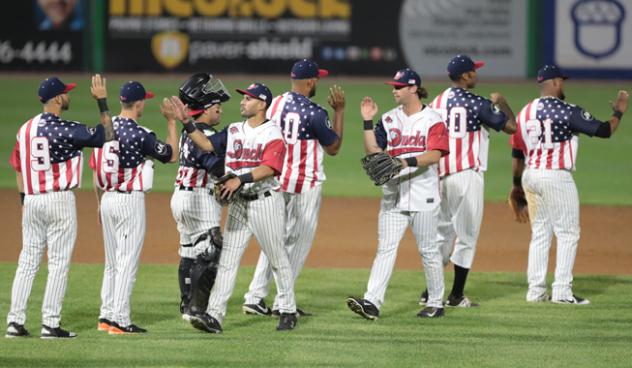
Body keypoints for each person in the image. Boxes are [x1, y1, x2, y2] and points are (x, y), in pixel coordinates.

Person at [169, 82, 298, 333]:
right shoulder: (234, 129)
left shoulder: (273, 133)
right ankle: (215, 316)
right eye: (243, 98)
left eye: (248, 98)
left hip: (266, 202)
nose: (242, 102)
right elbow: (206, 145)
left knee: (277, 258)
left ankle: (288, 309)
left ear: (261, 104)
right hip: (239, 203)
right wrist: (187, 123)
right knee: (227, 260)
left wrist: (241, 179)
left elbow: (269, 168)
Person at [6, 75, 114, 339]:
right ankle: (50, 324)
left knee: (28, 260)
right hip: (59, 201)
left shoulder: (25, 129)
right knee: (58, 263)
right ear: (57, 98)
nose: (68, 95)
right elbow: (108, 136)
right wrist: (102, 101)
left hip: (31, 200)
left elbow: (18, 167)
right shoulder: (67, 129)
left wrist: (23, 200)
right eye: (65, 92)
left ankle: (14, 322)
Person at [510, 65, 628, 304]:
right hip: (555, 176)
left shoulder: (525, 112)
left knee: (540, 233)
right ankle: (562, 292)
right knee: (567, 233)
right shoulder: (567, 111)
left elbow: (517, 150)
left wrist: (516, 185)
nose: (563, 85)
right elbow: (605, 130)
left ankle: (535, 291)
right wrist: (619, 112)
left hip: (531, 175)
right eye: (561, 81)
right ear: (554, 82)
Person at [242, 58, 345, 316]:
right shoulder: (315, 111)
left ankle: (254, 297)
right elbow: (333, 148)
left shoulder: (272, 103)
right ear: (310, 82)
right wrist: (340, 112)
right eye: (317, 78)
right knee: (297, 244)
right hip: (304, 185)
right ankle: (282, 303)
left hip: (274, 181)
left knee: (273, 241)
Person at [347, 68, 450, 319]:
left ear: (413, 89)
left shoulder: (433, 120)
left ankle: (436, 303)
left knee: (428, 251)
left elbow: (435, 154)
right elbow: (374, 150)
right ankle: (372, 303)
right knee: (386, 249)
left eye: (398, 86)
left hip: (423, 194)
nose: (394, 90)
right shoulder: (388, 119)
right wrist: (367, 121)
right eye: (393, 86)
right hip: (393, 194)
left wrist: (405, 162)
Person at [417, 54, 517, 307]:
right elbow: (511, 128)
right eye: (473, 71)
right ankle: (456, 295)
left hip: (438, 178)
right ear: (465, 76)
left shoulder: (436, 103)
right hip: (466, 176)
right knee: (466, 236)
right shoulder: (477, 102)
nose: (476, 74)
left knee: (441, 235)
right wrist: (502, 103)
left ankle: (430, 294)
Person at [90, 80, 178, 334]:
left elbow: (96, 171)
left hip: (107, 199)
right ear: (138, 103)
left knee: (112, 262)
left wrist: (99, 203)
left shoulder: (103, 129)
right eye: (144, 100)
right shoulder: (140, 134)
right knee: (127, 261)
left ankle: (106, 316)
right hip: (128, 202)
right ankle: (120, 320)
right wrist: (171, 122)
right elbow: (171, 155)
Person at [170, 73, 230, 321]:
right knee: (209, 252)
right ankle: (197, 308)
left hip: (179, 197)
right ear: (205, 110)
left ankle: (186, 304)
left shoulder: (190, 131)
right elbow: (214, 166)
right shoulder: (203, 134)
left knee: (187, 252)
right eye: (217, 108)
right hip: (199, 199)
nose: (221, 112)